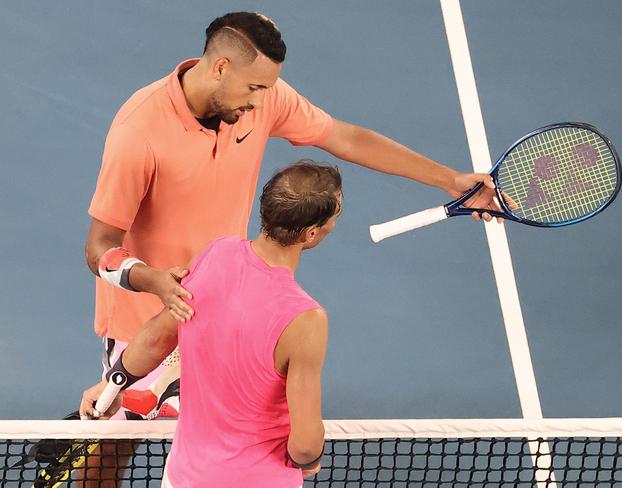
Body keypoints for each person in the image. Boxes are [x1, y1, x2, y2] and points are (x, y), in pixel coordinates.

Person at [83, 10, 503, 484]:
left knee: (212, 430)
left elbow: (345, 137)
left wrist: (450, 180)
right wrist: (153, 280)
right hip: (143, 313)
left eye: (268, 89)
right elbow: (99, 248)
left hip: (223, 301)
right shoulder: (139, 132)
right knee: (115, 444)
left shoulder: (262, 99)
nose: (263, 101)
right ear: (220, 67)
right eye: (255, 89)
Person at [81, 161, 342, 487]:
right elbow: (304, 445)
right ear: (312, 234)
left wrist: (113, 384)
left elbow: (154, 338)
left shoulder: (215, 254)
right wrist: (310, 460)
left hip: (184, 478)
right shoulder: (305, 320)